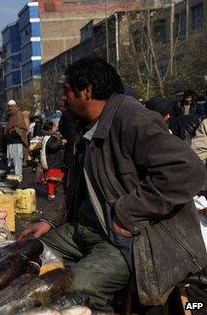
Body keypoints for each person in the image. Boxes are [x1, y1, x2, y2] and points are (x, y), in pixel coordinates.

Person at [18, 57, 207, 310]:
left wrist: (127, 214)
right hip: (86, 230)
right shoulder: (86, 129)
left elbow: (187, 170)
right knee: (22, 253)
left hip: (133, 241)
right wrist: (48, 220)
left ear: (87, 91)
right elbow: (76, 188)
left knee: (76, 289)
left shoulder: (133, 119)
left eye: (67, 91)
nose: (63, 99)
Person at [40, 120, 64, 200]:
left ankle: (52, 191)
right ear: (50, 129)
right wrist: (60, 141)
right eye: (54, 127)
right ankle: (50, 193)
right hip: (52, 161)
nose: (56, 128)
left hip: (52, 161)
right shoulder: (50, 138)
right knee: (51, 180)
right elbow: (52, 147)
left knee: (53, 179)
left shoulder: (47, 137)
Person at [4, 100, 28, 178]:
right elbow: (7, 127)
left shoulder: (19, 114)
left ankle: (18, 177)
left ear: (15, 106)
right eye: (9, 106)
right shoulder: (8, 115)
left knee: (17, 160)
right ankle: (12, 177)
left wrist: (15, 129)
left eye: (11, 106)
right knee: (10, 161)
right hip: (9, 141)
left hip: (17, 141)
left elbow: (22, 127)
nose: (10, 108)